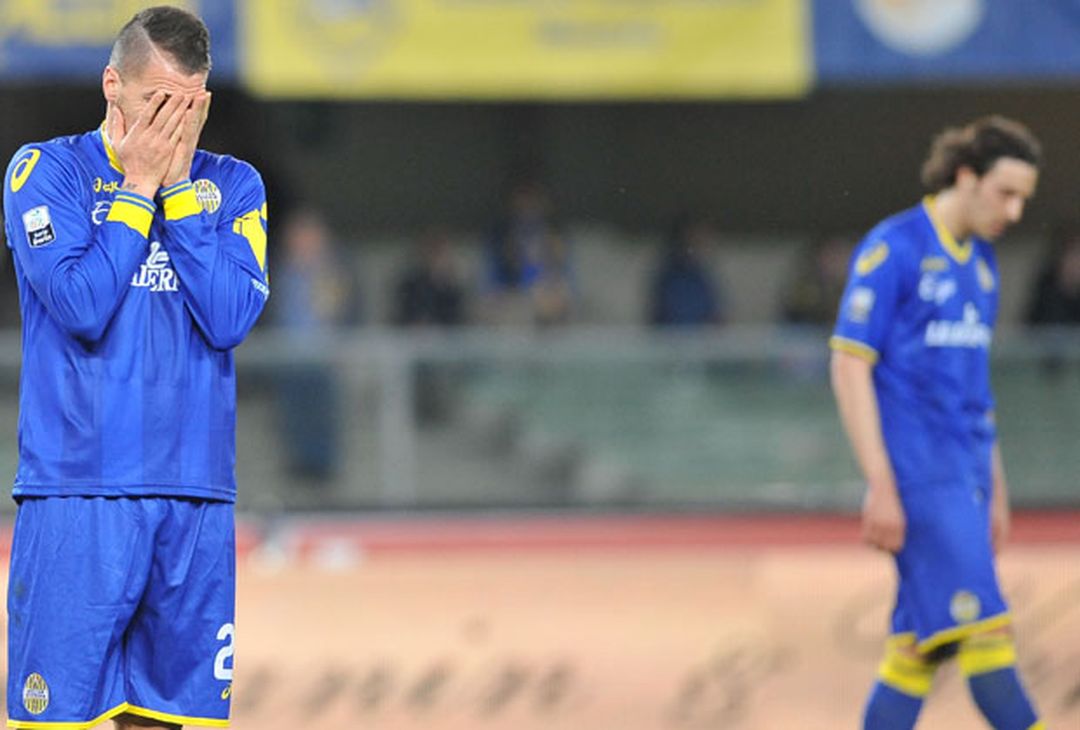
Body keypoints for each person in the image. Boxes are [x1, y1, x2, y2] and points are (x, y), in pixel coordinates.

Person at [2, 7, 268, 730]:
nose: (173, 123)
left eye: (189, 105)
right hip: (78, 493)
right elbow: (81, 305)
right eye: (157, 103)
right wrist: (139, 187)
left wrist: (176, 192)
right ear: (112, 85)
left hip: (194, 497)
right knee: (55, 721)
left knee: (162, 722)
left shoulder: (234, 186)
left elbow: (230, 318)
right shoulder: (46, 171)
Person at [830, 116, 1044, 730]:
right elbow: (849, 364)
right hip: (921, 477)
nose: (1014, 211)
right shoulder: (895, 248)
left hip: (964, 476)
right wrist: (881, 482)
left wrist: (994, 485)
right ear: (966, 177)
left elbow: (975, 391)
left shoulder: (982, 266)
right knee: (988, 641)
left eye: (1023, 199)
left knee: (915, 654)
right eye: (1005, 193)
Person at [271, 206, 361, 481]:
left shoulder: (335, 270)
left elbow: (350, 310)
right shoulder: (279, 270)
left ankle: (323, 466)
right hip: (289, 357)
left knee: (323, 412)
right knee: (293, 413)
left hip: (325, 357)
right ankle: (299, 465)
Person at [647, 214, 726, 328]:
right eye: (698, 238)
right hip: (676, 336)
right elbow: (676, 316)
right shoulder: (671, 275)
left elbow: (715, 313)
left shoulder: (702, 275)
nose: (705, 243)